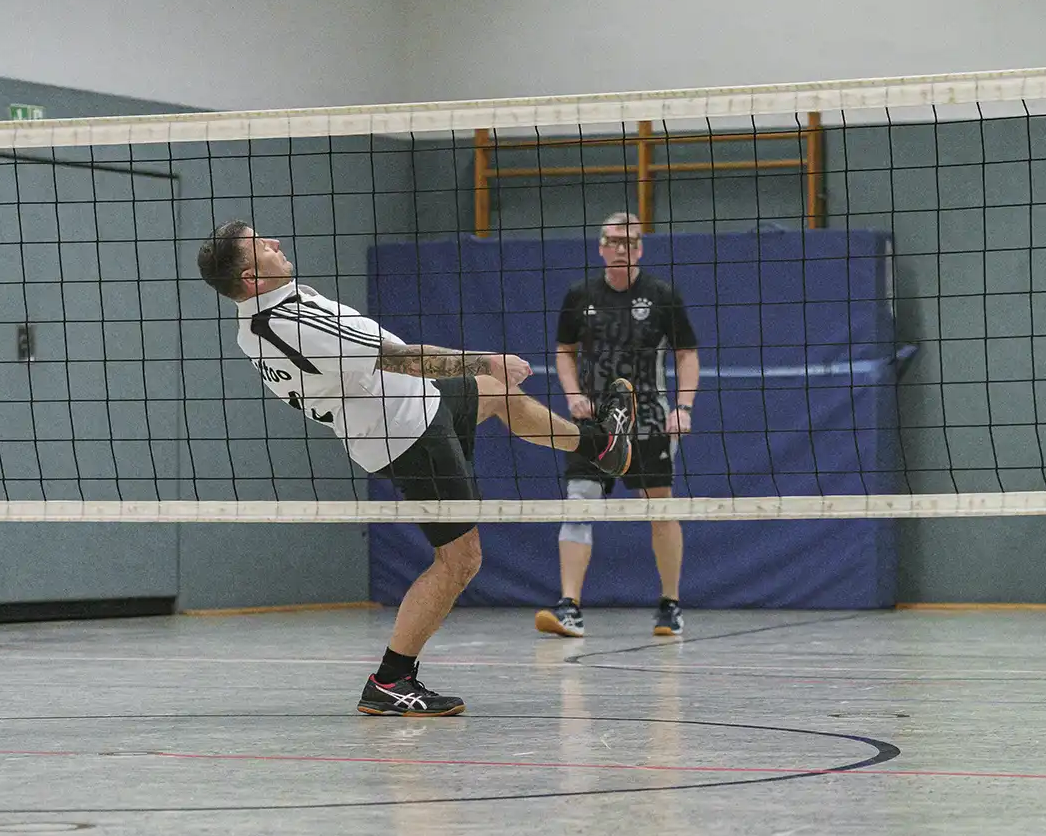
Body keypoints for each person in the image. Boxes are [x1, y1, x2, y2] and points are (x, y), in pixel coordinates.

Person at [196, 220, 637, 715]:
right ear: (252, 277)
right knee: (461, 560)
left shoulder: (259, 318)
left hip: (412, 408)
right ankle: (390, 680)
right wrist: (484, 360)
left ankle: (601, 447)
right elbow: (403, 360)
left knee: (499, 397)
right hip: (407, 434)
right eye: (262, 245)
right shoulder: (295, 323)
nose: (275, 242)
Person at [537, 211, 701, 639]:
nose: (620, 249)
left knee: (659, 507)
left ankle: (670, 605)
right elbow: (564, 351)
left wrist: (683, 407)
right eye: (612, 241)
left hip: (648, 417)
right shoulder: (580, 295)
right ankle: (568, 606)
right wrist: (573, 395)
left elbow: (686, 353)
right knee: (580, 501)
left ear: (639, 248)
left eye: (628, 242)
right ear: (601, 246)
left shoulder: (662, 296)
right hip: (594, 419)